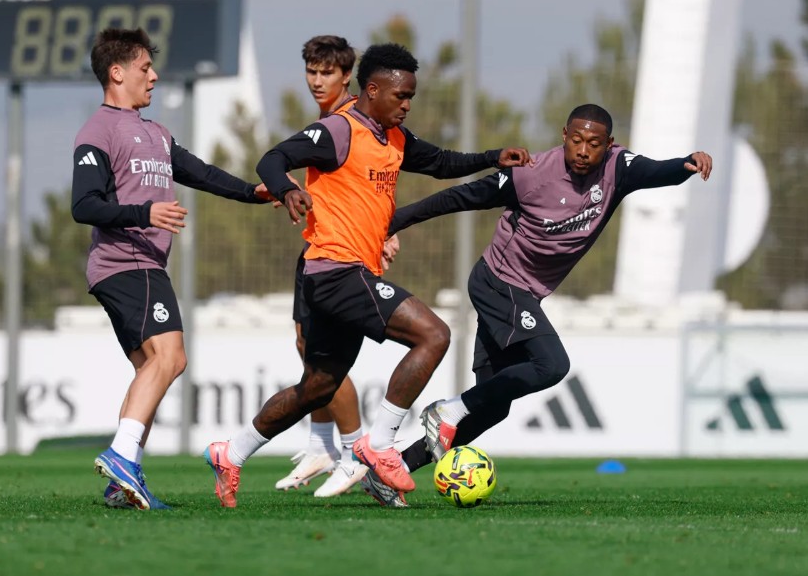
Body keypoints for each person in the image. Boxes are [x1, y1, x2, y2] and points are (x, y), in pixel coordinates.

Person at [202, 42, 531, 508]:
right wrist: (286, 190)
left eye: (411, 96)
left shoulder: (394, 137)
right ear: (371, 91)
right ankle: (379, 446)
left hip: (346, 276)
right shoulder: (338, 130)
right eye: (401, 96)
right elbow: (272, 159)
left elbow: (441, 162)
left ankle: (230, 452)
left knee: (319, 386)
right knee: (434, 334)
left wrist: (493, 156)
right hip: (336, 271)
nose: (407, 104)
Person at [362, 103, 713, 507]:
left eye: (594, 144)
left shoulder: (618, 168)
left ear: (609, 145)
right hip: (499, 284)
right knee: (552, 365)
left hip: (520, 293)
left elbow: (659, 171)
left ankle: (391, 473)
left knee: (492, 410)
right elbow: (459, 198)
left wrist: (688, 163)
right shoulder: (531, 174)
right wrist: (393, 222)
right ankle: (448, 410)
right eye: (576, 140)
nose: (584, 151)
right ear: (564, 136)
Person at [71, 27, 274, 510]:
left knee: (151, 367)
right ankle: (121, 457)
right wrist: (145, 213)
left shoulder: (157, 134)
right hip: (127, 263)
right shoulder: (98, 131)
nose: (154, 76)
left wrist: (252, 193)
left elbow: (201, 173)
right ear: (116, 73)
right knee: (172, 358)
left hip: (139, 266)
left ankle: (122, 480)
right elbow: (84, 205)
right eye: (145, 68)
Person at [274, 35, 398, 498]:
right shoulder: (327, 123)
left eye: (326, 72)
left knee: (328, 360)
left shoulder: (352, 120)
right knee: (306, 345)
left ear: (348, 76)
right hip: (317, 247)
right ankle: (322, 445)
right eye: (311, 71)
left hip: (342, 257)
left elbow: (381, 174)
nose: (316, 80)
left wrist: (386, 232)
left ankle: (353, 453)